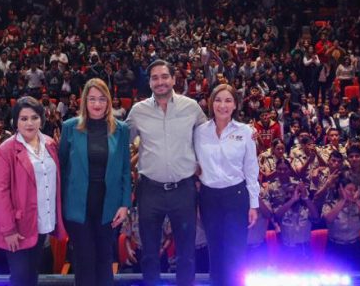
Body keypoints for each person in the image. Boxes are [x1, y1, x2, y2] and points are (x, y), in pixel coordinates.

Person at [126, 59, 208, 286]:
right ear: (149, 82)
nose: (160, 82)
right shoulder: (137, 111)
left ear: (173, 79)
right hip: (149, 191)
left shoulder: (191, 107)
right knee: (150, 255)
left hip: (183, 190)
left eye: (164, 77)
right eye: (155, 78)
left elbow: (209, 137)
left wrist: (240, 131)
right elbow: (122, 143)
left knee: (186, 254)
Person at [59, 78, 131, 286]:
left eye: (101, 99)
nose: (97, 104)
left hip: (108, 206)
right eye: (92, 99)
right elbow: (62, 169)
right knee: (84, 261)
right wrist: (61, 205)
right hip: (77, 206)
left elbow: (126, 169)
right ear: (84, 101)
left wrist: (125, 204)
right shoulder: (70, 127)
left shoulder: (121, 129)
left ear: (108, 102)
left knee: (105, 259)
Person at [0, 97, 67, 286]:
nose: (29, 123)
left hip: (41, 223)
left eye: (34, 117)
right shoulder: (5, 150)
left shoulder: (50, 144)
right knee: (20, 279)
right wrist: (8, 230)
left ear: (41, 119)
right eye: (23, 118)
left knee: (32, 275)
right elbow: (0, 193)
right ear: (15, 121)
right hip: (17, 227)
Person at [193, 84, 260, 286]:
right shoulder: (198, 132)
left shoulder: (246, 132)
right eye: (219, 100)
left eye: (228, 100)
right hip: (209, 197)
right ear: (211, 103)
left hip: (236, 196)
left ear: (235, 105)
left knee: (236, 252)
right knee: (215, 250)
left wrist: (253, 204)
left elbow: (251, 169)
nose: (223, 105)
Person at [322, 175, 360, 271]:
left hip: (354, 246)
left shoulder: (358, 204)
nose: (353, 193)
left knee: (356, 277)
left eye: (354, 190)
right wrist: (343, 200)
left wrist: (357, 200)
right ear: (340, 190)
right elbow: (329, 219)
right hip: (335, 247)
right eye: (349, 190)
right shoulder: (330, 204)